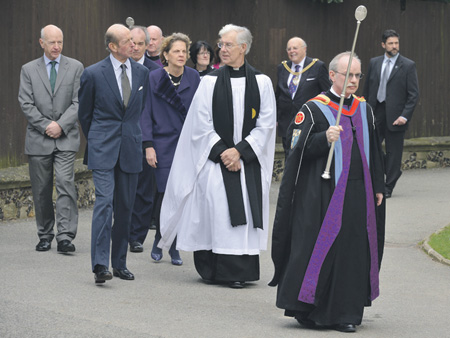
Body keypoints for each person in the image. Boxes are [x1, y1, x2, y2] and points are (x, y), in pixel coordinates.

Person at [270, 52, 386, 332]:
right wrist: (323, 138)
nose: (354, 81)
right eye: (348, 75)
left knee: (353, 251)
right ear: (332, 75)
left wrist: (379, 186)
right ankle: (311, 309)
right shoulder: (312, 110)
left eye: (358, 75)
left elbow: (375, 152)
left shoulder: (364, 109)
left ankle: (346, 312)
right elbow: (296, 151)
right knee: (321, 250)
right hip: (322, 195)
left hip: (359, 194)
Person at [158, 24, 276, 289]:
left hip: (246, 163)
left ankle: (240, 270)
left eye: (228, 45)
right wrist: (224, 152)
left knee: (242, 209)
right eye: (220, 44)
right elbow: (200, 124)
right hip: (216, 161)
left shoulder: (262, 82)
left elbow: (267, 125)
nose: (222, 49)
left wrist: (240, 152)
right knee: (215, 208)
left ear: (243, 48)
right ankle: (212, 269)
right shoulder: (209, 82)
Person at [78, 24, 149, 284]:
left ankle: (119, 263)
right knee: (105, 204)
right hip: (103, 148)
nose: (134, 44)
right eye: (128, 41)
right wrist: (97, 138)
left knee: (125, 207)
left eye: (134, 40)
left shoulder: (142, 73)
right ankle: (100, 265)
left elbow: (141, 111)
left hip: (130, 147)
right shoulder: (93, 73)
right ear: (112, 46)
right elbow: (84, 114)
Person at [18, 24, 83, 253]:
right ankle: (45, 234)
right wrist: (47, 126)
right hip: (38, 138)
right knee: (42, 188)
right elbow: (25, 103)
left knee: (65, 184)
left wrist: (61, 125)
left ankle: (65, 236)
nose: (57, 47)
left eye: (60, 42)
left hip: (66, 138)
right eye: (52, 42)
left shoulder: (75, 67)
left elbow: (79, 102)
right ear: (41, 42)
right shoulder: (28, 69)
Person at [140, 32, 200, 266]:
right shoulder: (153, 77)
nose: (182, 55)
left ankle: (172, 245)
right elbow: (145, 113)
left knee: (183, 195)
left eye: (184, 51)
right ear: (165, 55)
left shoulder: (194, 77)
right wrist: (148, 145)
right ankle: (159, 239)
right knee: (165, 195)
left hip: (187, 146)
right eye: (176, 51)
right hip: (162, 145)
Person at [363, 29, 419, 198]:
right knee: (372, 147)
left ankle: (388, 186)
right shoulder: (374, 62)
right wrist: (364, 109)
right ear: (383, 45)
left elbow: (413, 94)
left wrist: (404, 116)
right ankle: (388, 170)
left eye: (396, 43)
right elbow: (367, 88)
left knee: (394, 152)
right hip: (376, 111)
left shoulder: (408, 65)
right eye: (391, 43)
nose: (394, 46)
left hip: (396, 115)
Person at [128, 25, 160, 253]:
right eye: (132, 42)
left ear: (147, 45)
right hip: (120, 138)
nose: (136, 47)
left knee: (144, 190)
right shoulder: (114, 67)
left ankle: (137, 236)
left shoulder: (154, 72)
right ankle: (119, 230)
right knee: (121, 189)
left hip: (145, 138)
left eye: (141, 43)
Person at [275, 37, 330, 158]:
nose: (291, 51)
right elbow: (278, 95)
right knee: (289, 157)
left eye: (295, 48)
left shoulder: (317, 66)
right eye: (289, 49)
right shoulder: (282, 68)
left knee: (305, 157)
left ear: (304, 49)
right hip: (287, 122)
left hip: (309, 122)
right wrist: (276, 118)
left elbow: (327, 93)